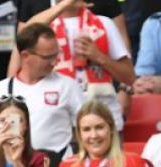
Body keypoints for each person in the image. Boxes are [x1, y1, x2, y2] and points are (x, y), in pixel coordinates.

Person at [0, 24, 84, 167]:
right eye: (47, 57)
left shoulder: (68, 86)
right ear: (25, 56)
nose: (54, 62)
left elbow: (86, 127)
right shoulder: (1, 90)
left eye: (56, 55)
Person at [20, 0, 134, 129]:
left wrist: (99, 57)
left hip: (103, 119)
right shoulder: (43, 27)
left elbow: (129, 77)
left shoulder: (104, 23)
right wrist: (63, 5)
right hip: (59, 122)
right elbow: (24, 34)